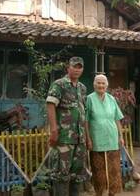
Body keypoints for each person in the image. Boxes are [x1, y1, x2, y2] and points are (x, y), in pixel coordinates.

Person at [46, 57, 87, 196]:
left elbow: (83, 113)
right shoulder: (59, 84)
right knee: (60, 174)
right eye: (74, 66)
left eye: (80, 67)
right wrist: (53, 130)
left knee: (77, 175)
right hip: (64, 138)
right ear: (68, 68)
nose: (77, 69)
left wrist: (87, 137)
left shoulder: (82, 88)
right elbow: (51, 105)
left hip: (80, 140)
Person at [85, 74, 124, 196]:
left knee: (114, 170)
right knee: (98, 170)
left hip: (112, 138)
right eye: (98, 83)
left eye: (103, 83)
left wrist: (121, 136)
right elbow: (85, 121)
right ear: (94, 84)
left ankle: (112, 193)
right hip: (96, 139)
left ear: (106, 85)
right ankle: (99, 193)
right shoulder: (89, 99)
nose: (101, 85)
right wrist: (88, 138)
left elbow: (117, 119)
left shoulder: (111, 99)